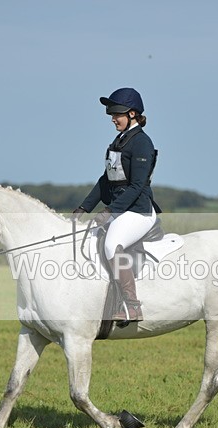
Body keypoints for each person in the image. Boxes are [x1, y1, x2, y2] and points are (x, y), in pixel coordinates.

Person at [72, 87, 161, 322]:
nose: (113, 119)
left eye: (117, 114)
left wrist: (109, 211)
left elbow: (137, 185)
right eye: (112, 114)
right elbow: (106, 181)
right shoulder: (120, 140)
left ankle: (133, 306)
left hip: (138, 211)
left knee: (112, 244)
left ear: (132, 114)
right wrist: (83, 209)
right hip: (122, 209)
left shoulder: (141, 143)